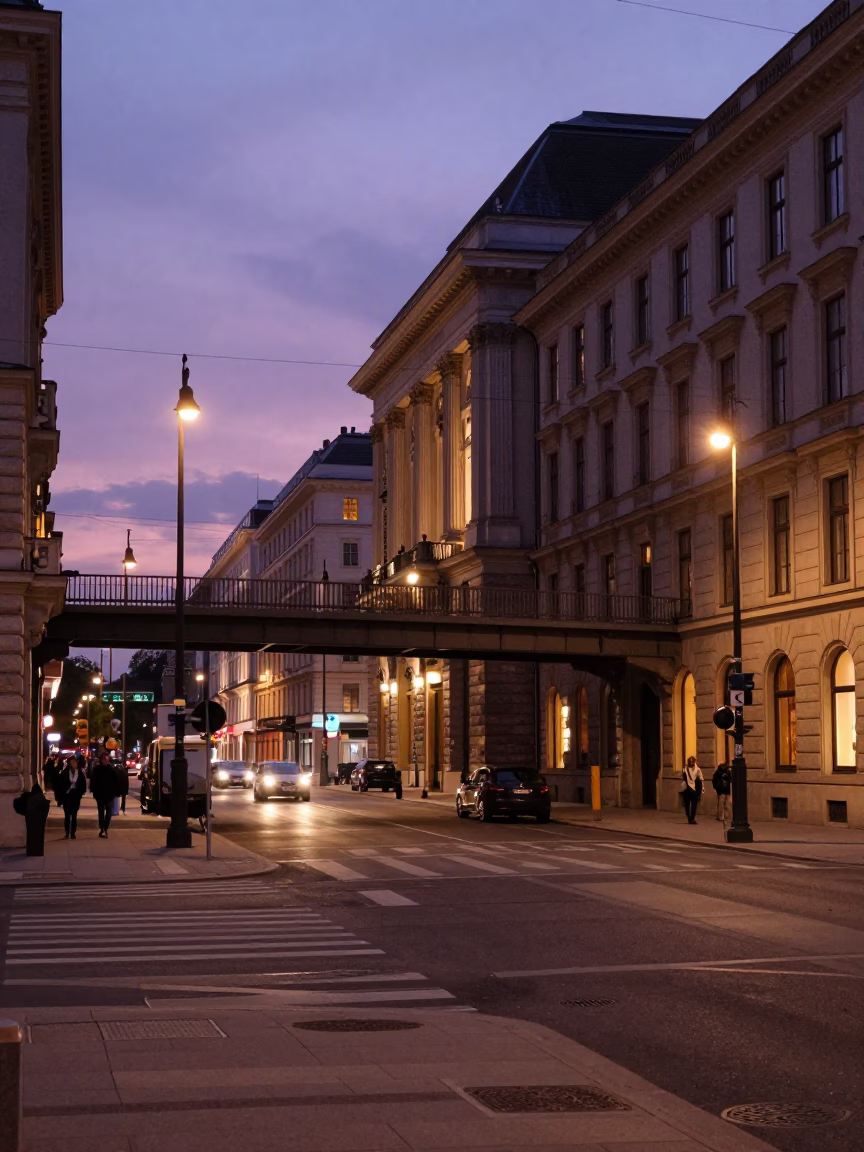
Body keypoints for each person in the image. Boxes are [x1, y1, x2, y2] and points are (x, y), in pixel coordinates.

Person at [56, 756, 86, 839]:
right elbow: (60, 784)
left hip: (76, 795)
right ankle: (67, 831)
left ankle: (73, 832)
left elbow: (83, 784)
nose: (74, 764)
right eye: (72, 762)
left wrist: (80, 793)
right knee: (67, 814)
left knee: (74, 814)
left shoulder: (80, 773)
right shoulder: (65, 773)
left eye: (75, 762)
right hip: (67, 795)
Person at [90, 751, 119, 837]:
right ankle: (102, 828)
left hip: (109, 794)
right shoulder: (97, 769)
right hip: (100, 794)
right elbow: (93, 781)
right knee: (101, 811)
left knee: (109, 811)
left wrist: (116, 792)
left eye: (107, 758)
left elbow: (116, 781)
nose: (106, 760)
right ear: (101, 760)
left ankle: (105, 827)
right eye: (104, 759)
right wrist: (94, 791)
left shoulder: (112, 769)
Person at [681, 754, 704, 825]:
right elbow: (684, 778)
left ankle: (692, 818)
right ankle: (689, 817)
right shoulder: (685, 769)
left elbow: (701, 779)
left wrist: (702, 788)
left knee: (694, 805)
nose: (691, 762)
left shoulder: (697, 769)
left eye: (692, 761)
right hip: (687, 789)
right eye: (690, 761)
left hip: (694, 789)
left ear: (694, 762)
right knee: (687, 804)